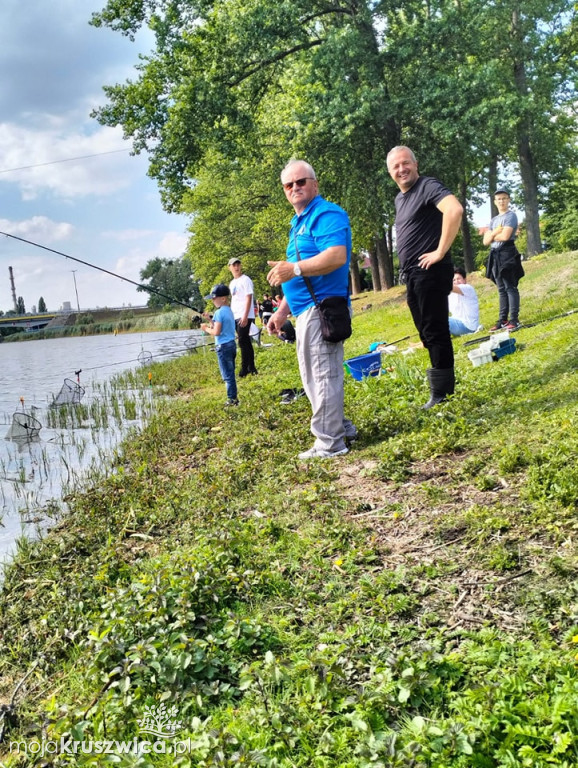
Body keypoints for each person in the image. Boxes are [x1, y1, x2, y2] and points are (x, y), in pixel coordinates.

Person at [267, 159, 357, 459]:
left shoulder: (326, 214)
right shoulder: (298, 223)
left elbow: (336, 257)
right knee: (313, 376)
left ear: (314, 184)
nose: (295, 188)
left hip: (323, 311)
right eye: (289, 185)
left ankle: (330, 443)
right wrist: (281, 312)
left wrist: (292, 268)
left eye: (300, 182)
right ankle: (341, 427)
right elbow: (300, 279)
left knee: (323, 375)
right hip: (306, 310)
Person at [386, 146, 463, 408]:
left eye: (405, 163)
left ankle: (442, 395)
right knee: (425, 331)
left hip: (430, 271)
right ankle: (441, 389)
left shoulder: (427, 186)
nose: (401, 169)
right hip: (413, 275)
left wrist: (440, 251)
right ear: (390, 172)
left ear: (416, 164)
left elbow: (454, 210)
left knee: (435, 329)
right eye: (395, 166)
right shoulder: (400, 198)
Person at [483, 189, 524, 331]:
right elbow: (485, 241)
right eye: (499, 199)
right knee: (501, 289)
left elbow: (505, 236)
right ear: (495, 202)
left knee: (510, 286)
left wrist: (493, 235)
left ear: (509, 200)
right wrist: (495, 232)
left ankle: (514, 319)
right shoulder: (494, 221)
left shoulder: (511, 216)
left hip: (507, 253)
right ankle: (503, 320)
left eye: (504, 198)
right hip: (495, 255)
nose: (501, 201)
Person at [200, 284, 238, 406]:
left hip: (223, 347)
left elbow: (216, 332)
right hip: (231, 345)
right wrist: (209, 321)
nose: (212, 300)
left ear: (223, 298)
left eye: (214, 297)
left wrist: (206, 328)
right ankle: (233, 398)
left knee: (227, 376)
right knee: (230, 373)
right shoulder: (229, 311)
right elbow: (221, 327)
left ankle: (232, 400)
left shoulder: (218, 312)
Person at [228, 257, 258, 377]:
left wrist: (245, 316)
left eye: (238, 264)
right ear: (229, 267)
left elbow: (248, 297)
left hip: (244, 314)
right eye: (233, 265)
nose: (236, 267)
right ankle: (252, 367)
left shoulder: (246, 280)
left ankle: (244, 368)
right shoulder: (232, 283)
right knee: (245, 341)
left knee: (242, 341)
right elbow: (234, 300)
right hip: (235, 314)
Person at [448, 267, 480, 336]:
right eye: (454, 280)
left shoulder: (468, 288)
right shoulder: (451, 295)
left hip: (468, 325)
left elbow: (447, 287)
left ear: (464, 280)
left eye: (458, 279)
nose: (456, 282)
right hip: (457, 323)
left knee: (439, 320)